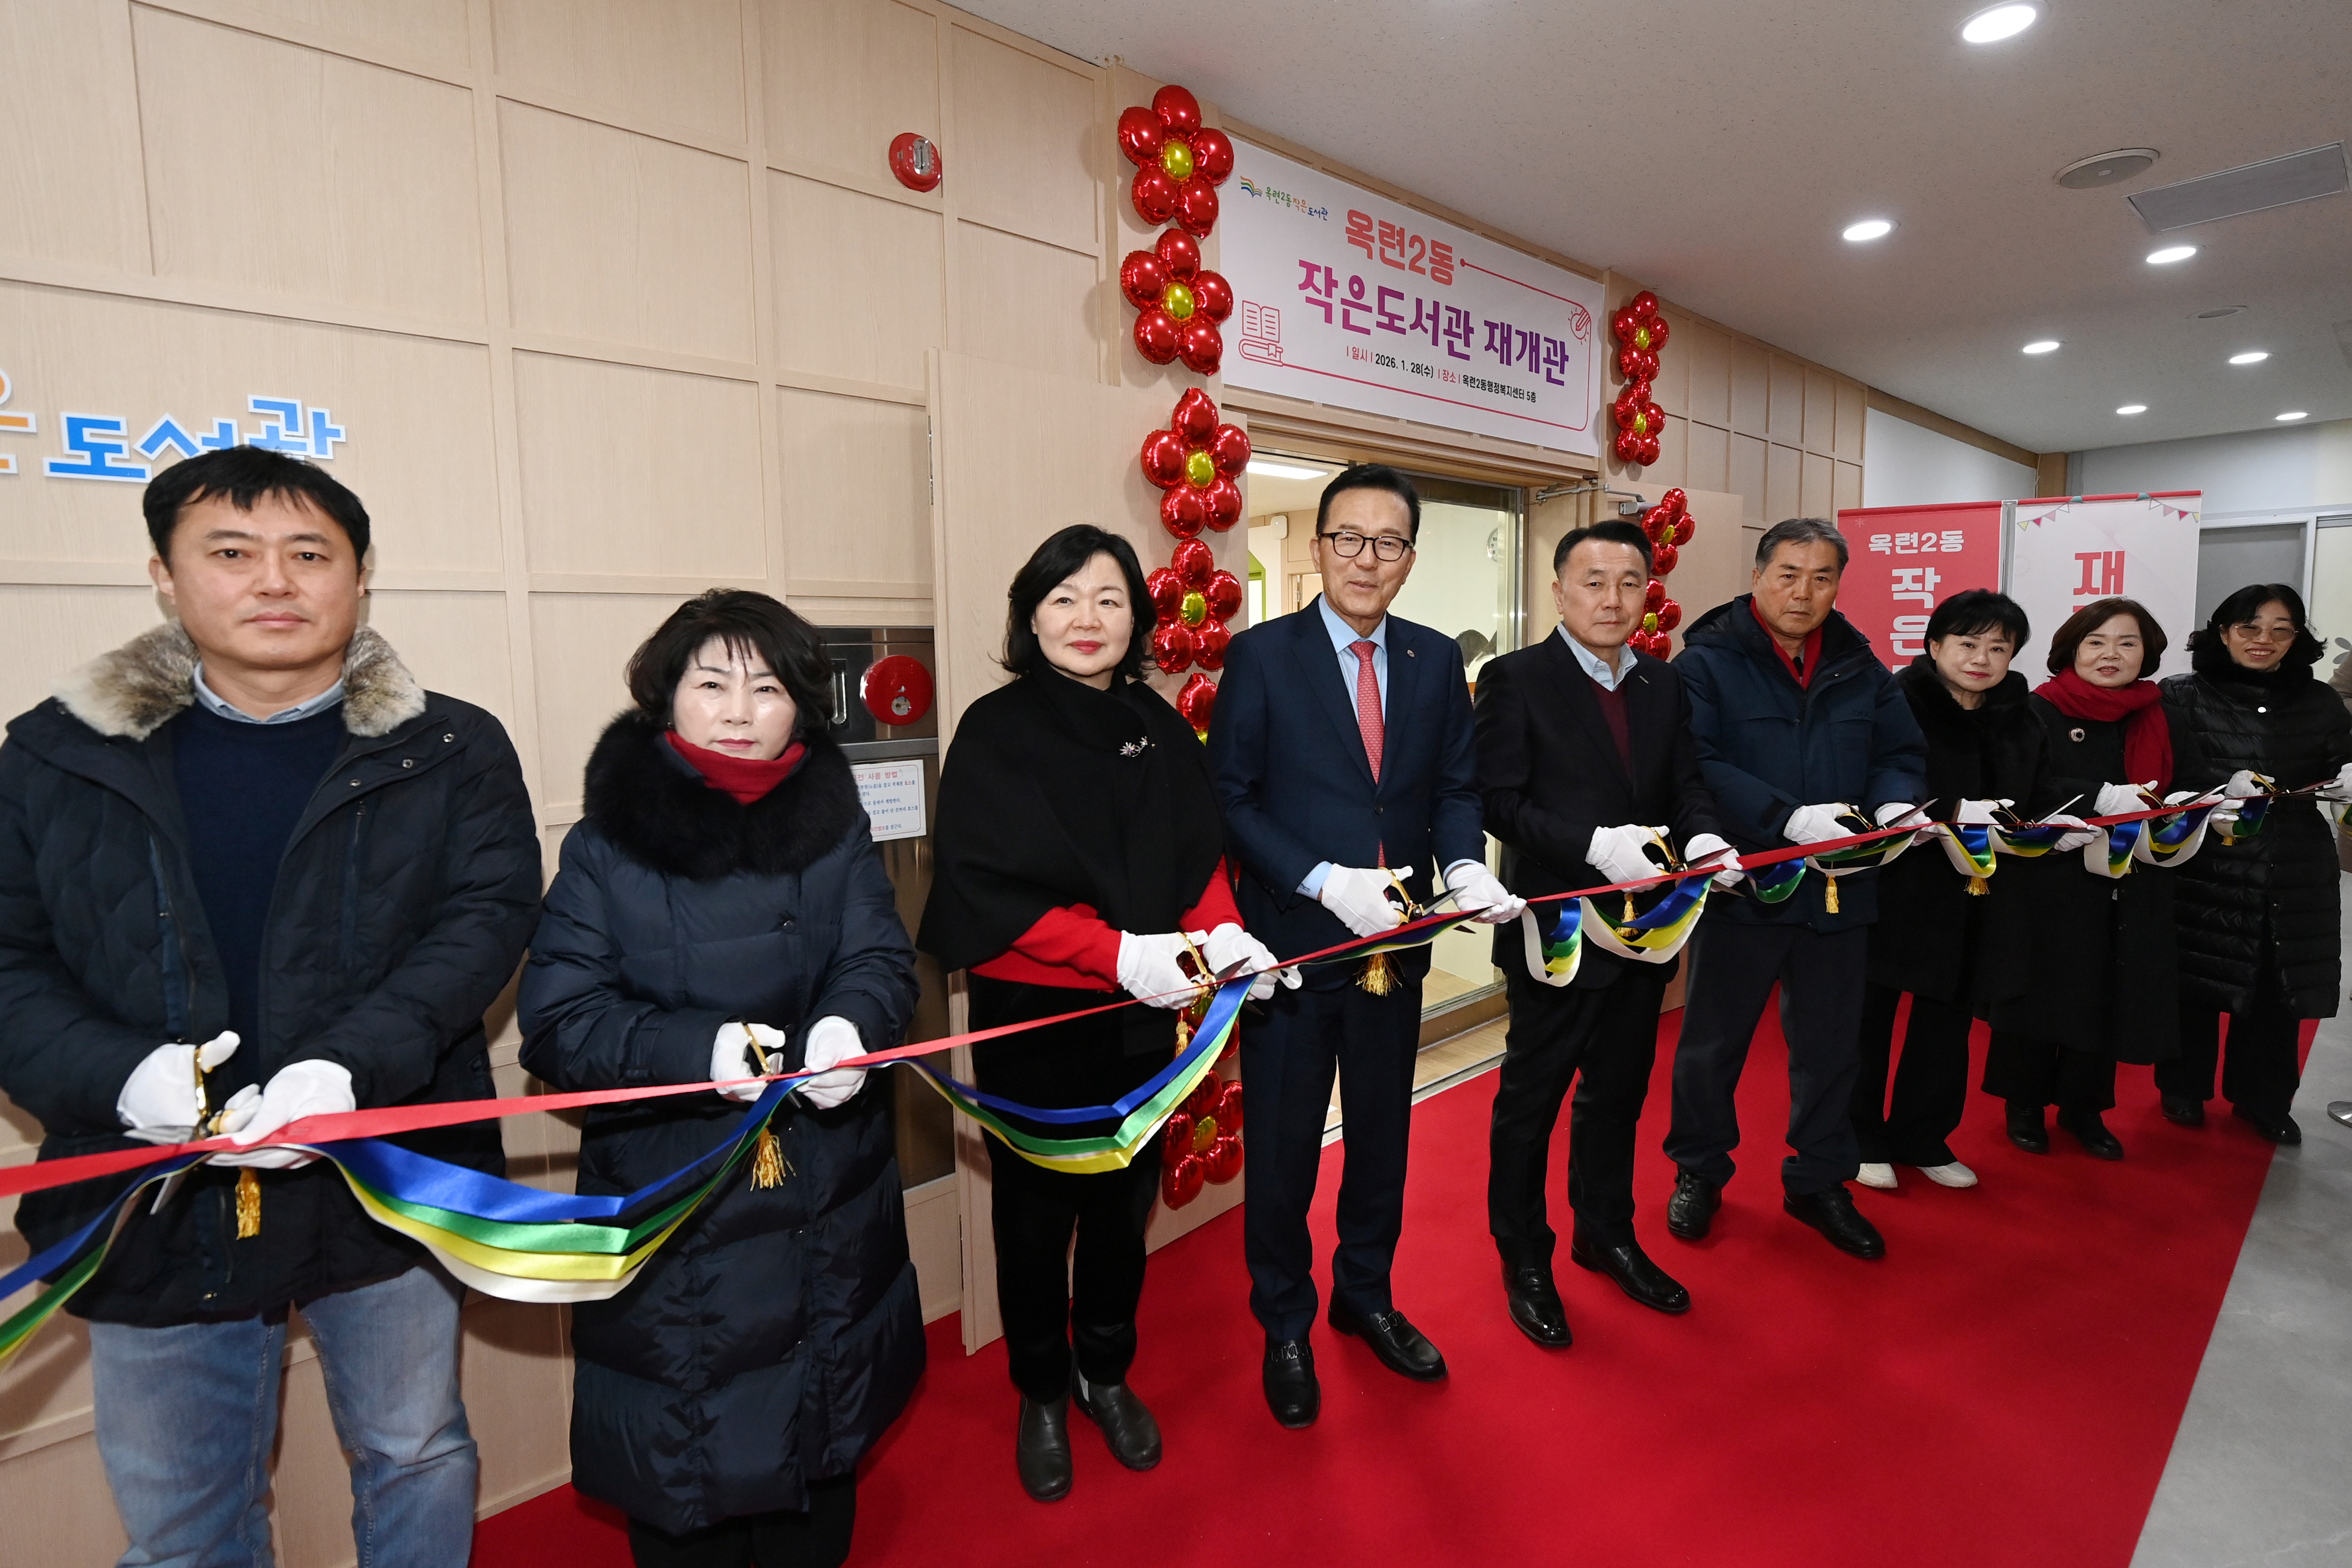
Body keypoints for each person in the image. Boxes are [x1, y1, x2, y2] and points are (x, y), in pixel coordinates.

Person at [0, 445, 541, 1566]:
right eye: (232, 553)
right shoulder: (54, 754)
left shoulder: (450, 746)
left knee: (418, 1448)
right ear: (164, 573)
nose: (275, 582)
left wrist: (350, 1065)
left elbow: (483, 922)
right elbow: (7, 960)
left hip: (378, 1169)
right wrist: (119, 1079)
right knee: (184, 1520)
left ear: (359, 575)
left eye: (310, 554)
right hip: (151, 1193)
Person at [519, 590, 922, 1567]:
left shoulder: (833, 823)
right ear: (668, 698)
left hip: (827, 1194)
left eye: (768, 686)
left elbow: (881, 960)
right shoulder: (608, 845)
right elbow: (558, 1024)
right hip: (681, 1209)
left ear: (802, 706)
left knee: (816, 1465)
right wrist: (695, 1052)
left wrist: (847, 1026)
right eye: (712, 683)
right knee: (686, 1472)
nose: (739, 710)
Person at [918, 525, 1285, 1501]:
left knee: (1127, 1207)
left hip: (1147, 1020)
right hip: (1040, 1018)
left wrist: (1225, 936)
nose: (1088, 618)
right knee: (1036, 1214)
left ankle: (1105, 1368)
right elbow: (985, 889)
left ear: (1140, 619)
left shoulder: (1162, 726)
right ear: (1029, 614)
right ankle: (1041, 1386)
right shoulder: (995, 729)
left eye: (1110, 599)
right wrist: (1118, 952)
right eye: (1065, 598)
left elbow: (1196, 858)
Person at [1207, 463, 1524, 1428]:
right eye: (1348, 536)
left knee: (1383, 1133)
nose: (1365, 557)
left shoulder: (1433, 660)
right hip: (1298, 946)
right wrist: (1322, 880)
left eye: (1388, 542)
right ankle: (1286, 1321)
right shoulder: (1261, 656)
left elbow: (1455, 790)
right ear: (1318, 545)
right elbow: (1233, 799)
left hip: (1400, 943)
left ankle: (1367, 1292)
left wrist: (1465, 866)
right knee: (1287, 1146)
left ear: (1410, 560)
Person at [1474, 519, 1735, 1347]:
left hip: (1646, 929)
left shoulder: (1663, 684)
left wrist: (1702, 836)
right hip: (1554, 929)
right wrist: (1591, 846)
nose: (1612, 599)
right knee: (1532, 1100)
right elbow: (1498, 801)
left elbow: (1685, 782)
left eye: (1629, 582)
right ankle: (1524, 1256)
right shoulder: (1514, 679)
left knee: (1618, 1094)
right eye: (1593, 581)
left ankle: (1606, 1232)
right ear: (1559, 589)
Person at [1663, 517, 1927, 1259]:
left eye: (1821, 578)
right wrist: (1783, 818)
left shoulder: (1860, 664)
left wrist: (1896, 801)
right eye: (1788, 574)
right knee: (1713, 1046)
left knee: (1832, 1047)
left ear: (1839, 585)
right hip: (1747, 884)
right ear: (1757, 575)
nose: (1803, 593)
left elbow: (1900, 750)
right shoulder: (1707, 662)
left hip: (1842, 887)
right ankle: (1700, 1171)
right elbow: (1697, 763)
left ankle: (1819, 1182)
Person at [1850, 590, 2095, 1191]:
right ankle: (1857, 1136)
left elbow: (2037, 792)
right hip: (1898, 884)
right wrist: (1950, 811)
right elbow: (1871, 784)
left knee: (1948, 1021)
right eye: (1967, 643)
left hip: (1978, 892)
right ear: (1934, 646)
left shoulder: (2023, 716)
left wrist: (2079, 809)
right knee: (1868, 1021)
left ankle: (1923, 1134)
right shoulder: (1893, 703)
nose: (1981, 658)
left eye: (1998, 647)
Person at [1982, 599, 2220, 1159]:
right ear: (2071, 649)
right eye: (2097, 642)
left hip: (2136, 877)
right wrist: (2095, 801)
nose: (2111, 654)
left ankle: (2084, 1108)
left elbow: (2188, 779)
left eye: (2127, 643)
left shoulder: (2161, 714)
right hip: (2052, 877)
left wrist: (2198, 803)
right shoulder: (2036, 710)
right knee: (2042, 995)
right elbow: (2019, 788)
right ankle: (2025, 1105)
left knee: (2110, 993)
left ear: (2148, 653)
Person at [2158, 585, 2352, 1145]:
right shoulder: (2180, 695)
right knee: (2193, 974)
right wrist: (2211, 797)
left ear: (2298, 638)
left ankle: (2263, 1100)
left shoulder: (2318, 701)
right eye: (2249, 627)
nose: (2263, 640)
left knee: (2277, 985)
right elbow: (2164, 778)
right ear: (2222, 632)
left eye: (2280, 629)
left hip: (2292, 861)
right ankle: (2183, 1089)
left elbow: (2335, 760)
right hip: (2207, 855)